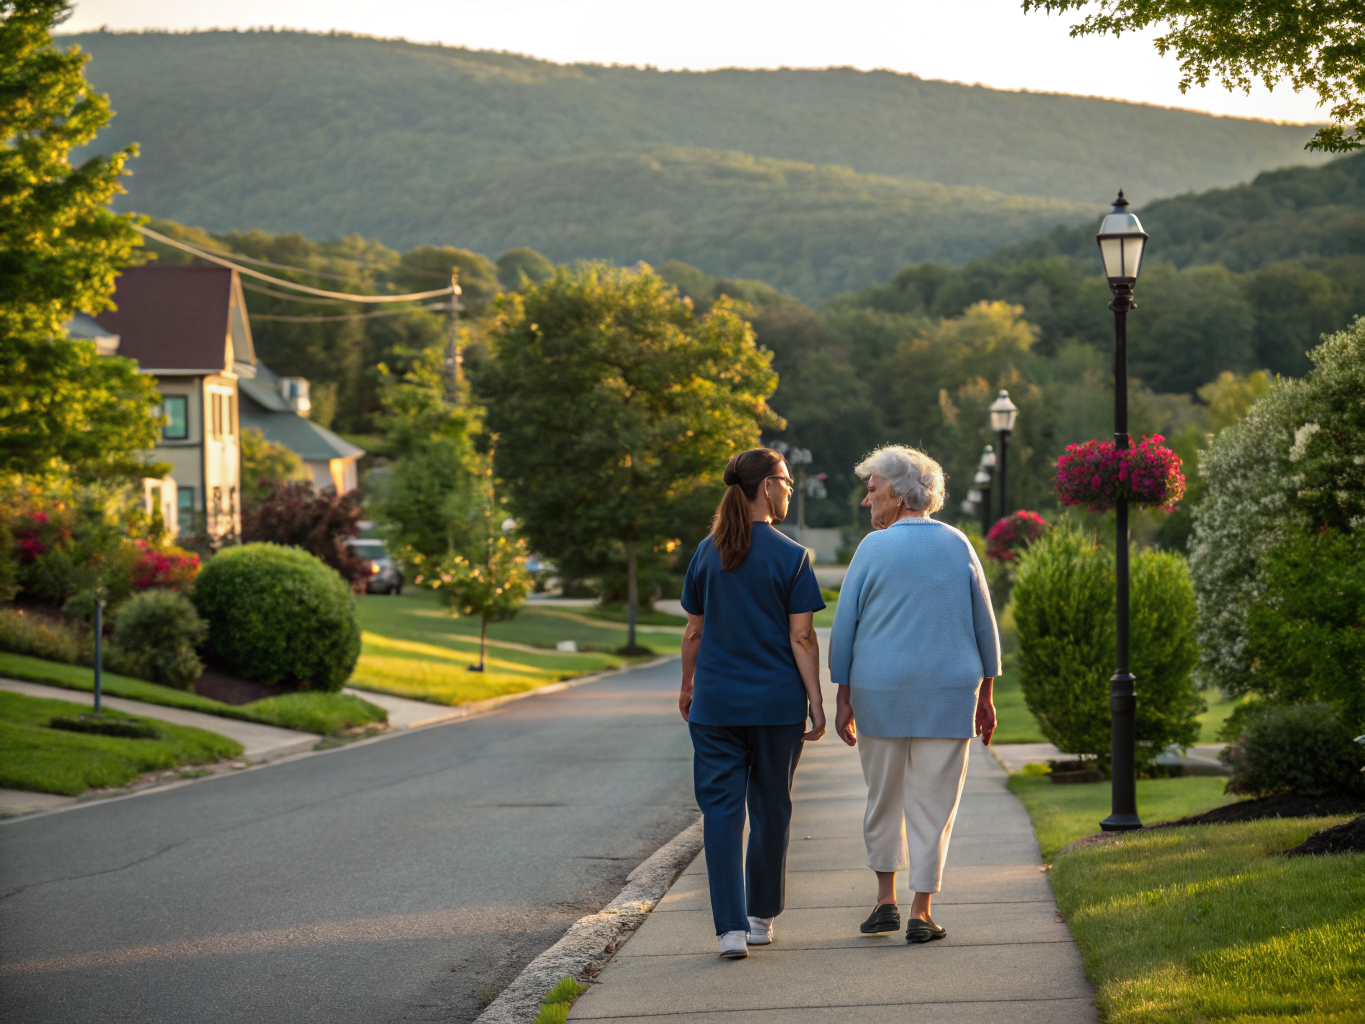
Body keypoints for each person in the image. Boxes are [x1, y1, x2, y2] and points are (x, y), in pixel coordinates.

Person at [828, 445, 999, 944]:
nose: (867, 501)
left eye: (872, 488)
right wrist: (986, 694)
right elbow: (985, 626)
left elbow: (845, 629)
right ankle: (921, 912)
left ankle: (886, 902)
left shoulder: (871, 548)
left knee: (884, 797)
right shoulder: (958, 543)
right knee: (934, 804)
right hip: (950, 692)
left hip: (879, 692)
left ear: (900, 495)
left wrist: (843, 695)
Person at [679, 447, 827, 960]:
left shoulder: (706, 552)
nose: (789, 488)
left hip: (716, 706)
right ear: (765, 486)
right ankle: (760, 918)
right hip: (775, 708)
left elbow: (694, 631)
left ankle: (730, 931)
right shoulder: (792, 556)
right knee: (770, 809)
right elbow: (802, 638)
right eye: (785, 480)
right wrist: (817, 701)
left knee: (721, 814)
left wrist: (687, 685)